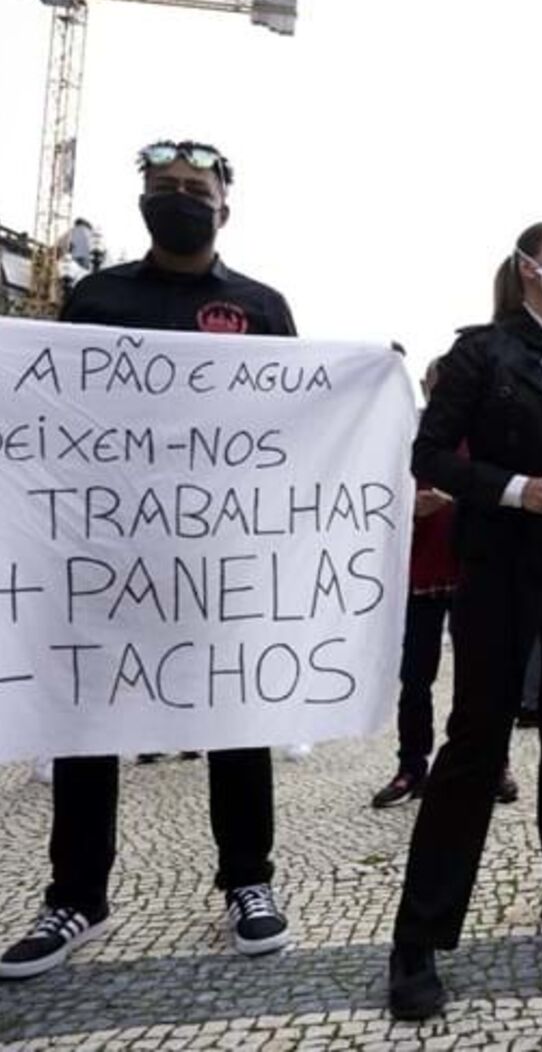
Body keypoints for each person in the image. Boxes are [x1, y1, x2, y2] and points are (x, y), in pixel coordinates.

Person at [0, 139, 294, 981]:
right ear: (141, 202)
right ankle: (75, 895)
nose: (178, 198)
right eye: (163, 187)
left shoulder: (261, 305)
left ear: (223, 207)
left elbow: (297, 427)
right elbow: (46, 403)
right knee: (86, 721)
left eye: (193, 189)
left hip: (215, 555)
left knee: (236, 721)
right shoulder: (97, 295)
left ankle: (248, 881)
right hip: (102, 551)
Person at [387, 221, 542, 1020]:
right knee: (476, 742)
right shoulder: (480, 353)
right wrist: (518, 488)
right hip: (500, 567)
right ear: (529, 268)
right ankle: (418, 940)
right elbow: (429, 457)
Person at [371, 359, 519, 809]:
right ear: (425, 387)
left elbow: (502, 496)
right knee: (415, 677)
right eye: (438, 386)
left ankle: (492, 763)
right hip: (418, 575)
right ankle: (412, 765)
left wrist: (453, 502)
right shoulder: (404, 440)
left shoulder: (485, 437)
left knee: (480, 676)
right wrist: (406, 509)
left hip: (473, 570)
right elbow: (376, 498)